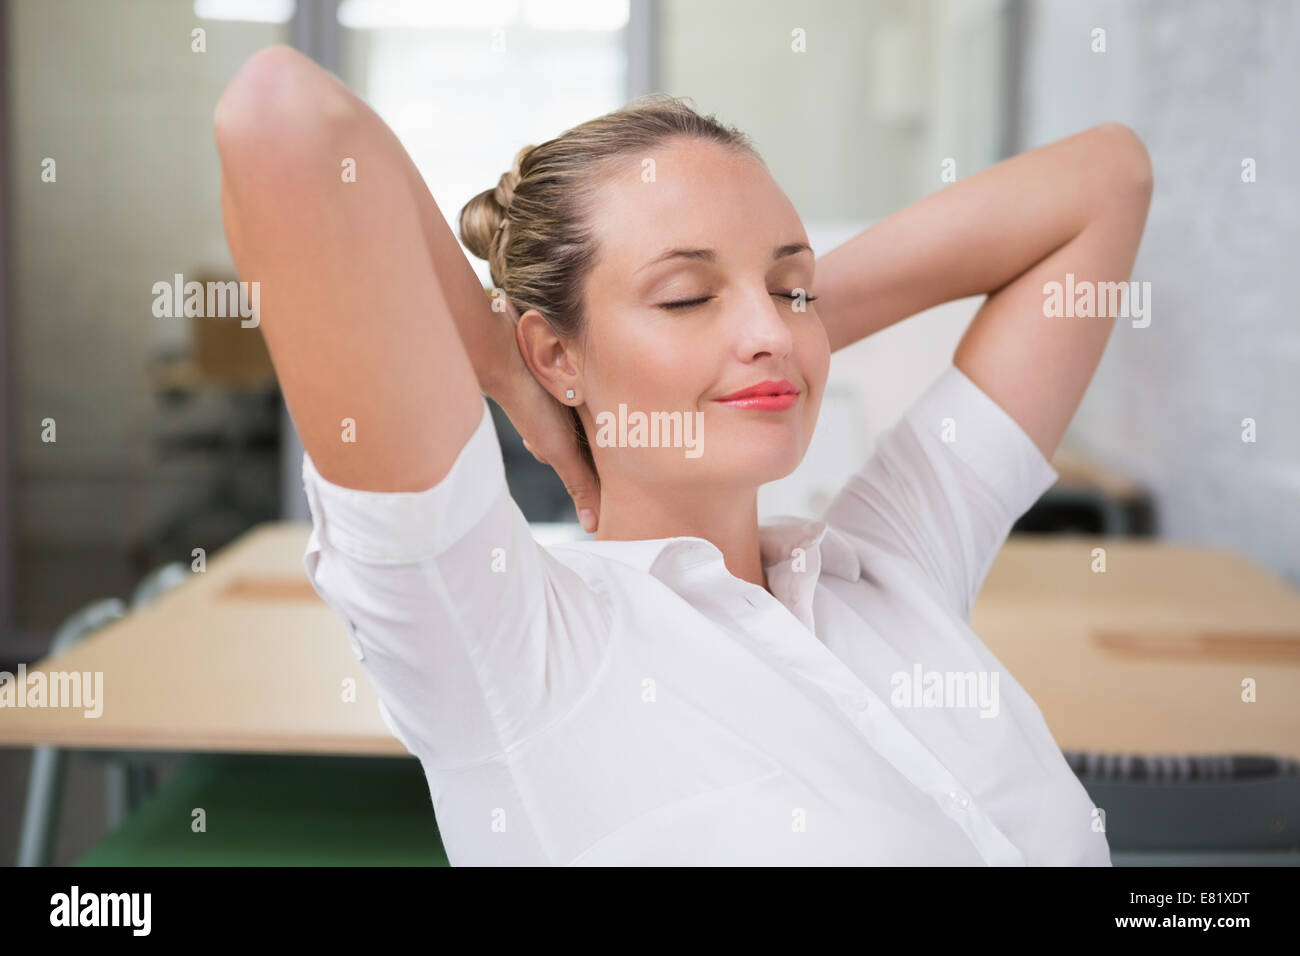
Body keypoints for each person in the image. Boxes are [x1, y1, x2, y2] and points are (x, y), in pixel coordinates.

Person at [214, 45, 1152, 866]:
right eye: (684, 296)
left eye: (792, 283)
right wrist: (504, 365)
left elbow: (1106, 179)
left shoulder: (890, 565)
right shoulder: (512, 645)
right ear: (557, 352)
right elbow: (284, 120)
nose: (771, 332)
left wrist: (781, 323)